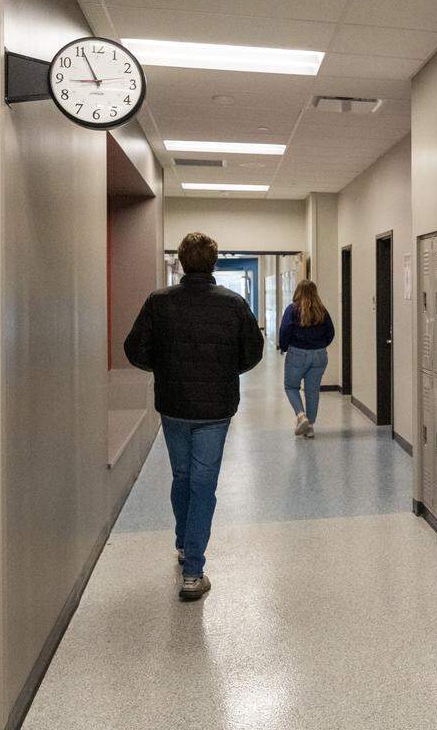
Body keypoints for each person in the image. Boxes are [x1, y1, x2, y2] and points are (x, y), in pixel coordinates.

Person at [124, 232, 264, 601]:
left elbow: (134, 350)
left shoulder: (159, 302)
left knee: (183, 477)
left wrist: (165, 368)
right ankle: (193, 572)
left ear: (182, 262)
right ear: (214, 263)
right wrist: (225, 369)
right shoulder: (233, 304)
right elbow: (253, 352)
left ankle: (186, 547)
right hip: (216, 408)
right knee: (203, 484)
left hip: (173, 406)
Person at [279, 279, 334, 439]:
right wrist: (321, 345)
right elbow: (331, 332)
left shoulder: (292, 309)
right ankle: (309, 427)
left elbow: (285, 330)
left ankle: (301, 416)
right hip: (319, 355)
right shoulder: (322, 310)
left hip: (298, 353)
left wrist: (284, 347)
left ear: (298, 292)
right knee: (312, 391)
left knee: (291, 387)